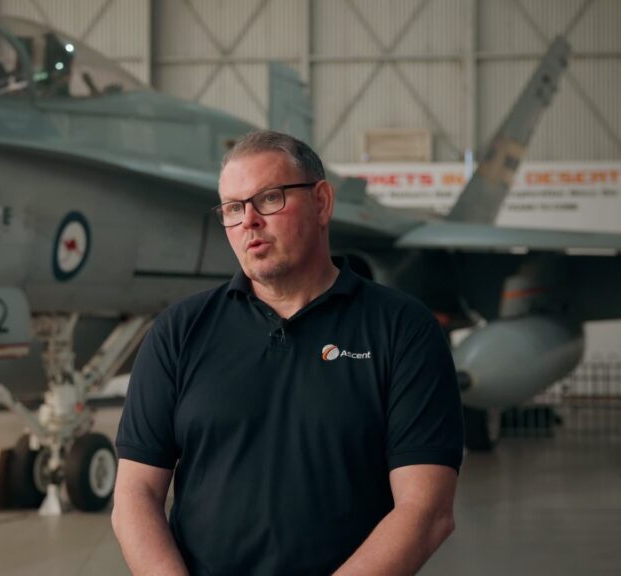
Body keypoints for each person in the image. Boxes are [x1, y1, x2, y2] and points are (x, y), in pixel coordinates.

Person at [112, 130, 463, 575]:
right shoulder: (179, 331)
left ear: (322, 202)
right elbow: (134, 495)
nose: (249, 222)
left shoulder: (402, 329)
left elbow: (427, 511)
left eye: (270, 198)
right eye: (233, 208)